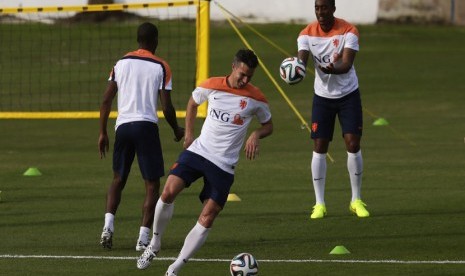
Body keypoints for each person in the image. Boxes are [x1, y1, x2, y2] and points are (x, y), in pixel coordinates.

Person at [136, 49, 273, 275]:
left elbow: (268, 125)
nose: (245, 80)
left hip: (224, 165)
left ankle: (175, 267)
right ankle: (155, 243)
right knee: (168, 192)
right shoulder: (211, 85)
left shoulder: (256, 98)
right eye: (242, 74)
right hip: (199, 151)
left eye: (250, 76)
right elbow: (192, 103)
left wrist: (256, 134)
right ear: (233, 67)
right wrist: (189, 134)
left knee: (208, 217)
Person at [98, 22, 184, 250]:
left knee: (118, 179)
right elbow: (166, 106)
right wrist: (176, 129)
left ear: (138, 40)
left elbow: (106, 99)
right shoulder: (162, 66)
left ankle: (108, 228)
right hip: (146, 127)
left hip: (123, 127)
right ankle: (143, 239)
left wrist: (102, 132)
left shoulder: (120, 63)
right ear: (155, 41)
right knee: (152, 185)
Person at [297, 0, 369, 219]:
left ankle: (356, 200)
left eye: (324, 7)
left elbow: (345, 64)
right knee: (319, 145)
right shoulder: (306, 34)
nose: (320, 12)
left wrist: (332, 67)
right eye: (317, 8)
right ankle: (319, 204)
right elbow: (301, 61)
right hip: (322, 98)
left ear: (333, 9)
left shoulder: (349, 31)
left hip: (348, 95)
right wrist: (294, 70)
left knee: (353, 143)